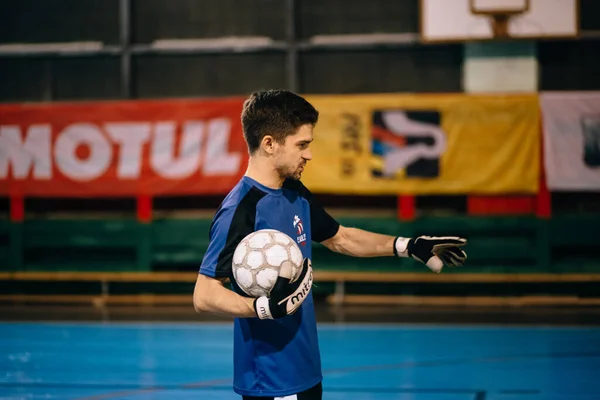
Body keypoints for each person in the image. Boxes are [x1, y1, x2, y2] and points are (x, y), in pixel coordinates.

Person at [193, 90, 468, 400]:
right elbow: (204, 295)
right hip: (272, 380)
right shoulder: (240, 209)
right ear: (269, 144)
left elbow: (341, 238)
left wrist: (408, 246)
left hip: (306, 370)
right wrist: (263, 308)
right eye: (302, 145)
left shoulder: (294, 192)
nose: (308, 154)